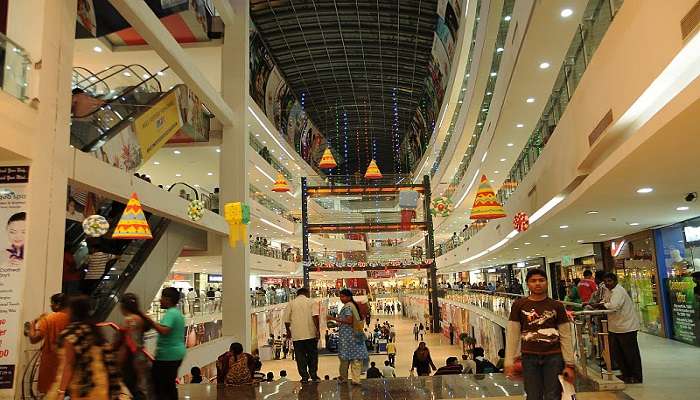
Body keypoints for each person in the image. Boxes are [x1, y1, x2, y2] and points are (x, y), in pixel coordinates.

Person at [505, 268, 575, 400]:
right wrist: (509, 361)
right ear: (527, 284)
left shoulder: (557, 306)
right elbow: (513, 334)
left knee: (553, 395)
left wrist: (569, 364)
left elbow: (565, 335)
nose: (537, 283)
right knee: (532, 395)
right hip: (528, 357)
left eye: (541, 280)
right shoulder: (519, 305)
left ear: (547, 282)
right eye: (533, 281)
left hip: (554, 356)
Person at [48, 295, 120, 400]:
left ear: (72, 311)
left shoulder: (73, 333)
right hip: (101, 384)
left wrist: (61, 392)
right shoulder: (95, 331)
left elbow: (69, 366)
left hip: (84, 387)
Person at [598, 273, 643, 384]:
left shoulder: (619, 291)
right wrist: (603, 304)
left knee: (630, 354)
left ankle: (636, 377)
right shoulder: (608, 291)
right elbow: (605, 301)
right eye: (606, 281)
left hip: (627, 327)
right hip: (615, 327)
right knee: (619, 354)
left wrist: (604, 305)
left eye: (610, 281)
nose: (608, 284)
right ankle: (626, 374)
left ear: (615, 281)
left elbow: (614, 306)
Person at [145, 287, 186, 399]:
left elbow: (164, 330)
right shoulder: (176, 313)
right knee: (169, 386)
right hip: (174, 354)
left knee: (161, 387)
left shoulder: (171, 313)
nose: (160, 300)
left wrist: (148, 320)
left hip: (168, 356)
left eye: (162, 297)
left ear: (168, 299)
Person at [26, 293, 70, 395]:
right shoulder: (73, 319)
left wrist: (33, 324)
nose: (50, 306)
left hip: (52, 364)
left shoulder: (50, 319)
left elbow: (34, 339)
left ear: (58, 304)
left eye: (52, 304)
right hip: (69, 365)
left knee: (51, 393)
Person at [327, 288, 369, 385]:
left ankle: (344, 378)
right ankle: (356, 379)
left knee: (345, 359)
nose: (341, 298)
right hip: (355, 336)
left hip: (348, 338)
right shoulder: (352, 305)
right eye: (340, 296)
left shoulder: (347, 307)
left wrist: (333, 318)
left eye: (343, 296)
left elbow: (349, 321)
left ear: (349, 297)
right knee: (356, 359)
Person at [283, 287, 320, 383]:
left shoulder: (291, 303)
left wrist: (288, 331)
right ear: (306, 293)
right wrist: (317, 330)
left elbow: (286, 320)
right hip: (310, 334)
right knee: (312, 356)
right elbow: (315, 316)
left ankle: (304, 377)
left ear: (297, 294)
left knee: (300, 357)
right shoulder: (311, 302)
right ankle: (314, 375)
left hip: (297, 336)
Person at [118, 293, 152, 400]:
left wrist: (119, 360)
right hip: (140, 357)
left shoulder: (129, 320)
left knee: (133, 390)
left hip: (131, 360)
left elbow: (129, 342)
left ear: (123, 306)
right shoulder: (139, 318)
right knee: (140, 389)